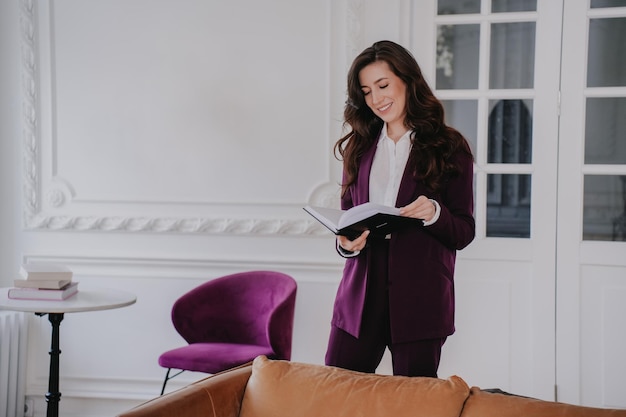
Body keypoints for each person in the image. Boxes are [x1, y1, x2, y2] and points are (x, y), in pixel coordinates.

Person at [325, 40, 475, 378]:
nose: (376, 99)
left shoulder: (449, 147)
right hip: (360, 295)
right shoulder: (358, 147)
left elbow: (464, 231)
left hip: (420, 295)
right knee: (333, 394)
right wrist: (346, 242)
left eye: (383, 85)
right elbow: (347, 216)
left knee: (415, 404)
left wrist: (434, 212)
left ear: (407, 81)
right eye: (366, 91)